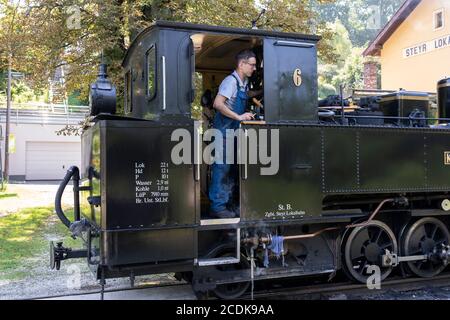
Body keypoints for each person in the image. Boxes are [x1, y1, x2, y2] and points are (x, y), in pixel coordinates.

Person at [208, 49, 261, 219]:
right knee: (221, 168)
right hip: (223, 131)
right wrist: (239, 116)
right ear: (241, 64)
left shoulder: (241, 83)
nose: (254, 68)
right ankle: (217, 207)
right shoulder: (230, 82)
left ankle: (228, 205)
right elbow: (218, 104)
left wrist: (261, 91)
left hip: (232, 132)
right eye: (252, 65)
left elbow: (246, 95)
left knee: (230, 169)